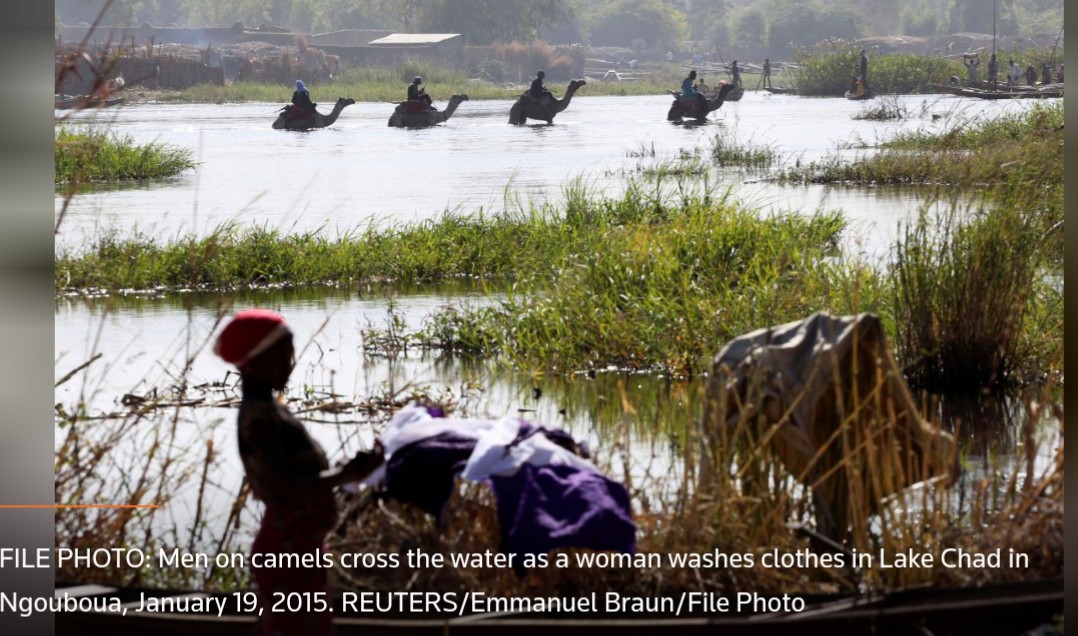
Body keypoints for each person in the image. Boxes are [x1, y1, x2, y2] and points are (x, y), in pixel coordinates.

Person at [215, 309, 382, 636]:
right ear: (255, 359)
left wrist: (345, 472)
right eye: (282, 356)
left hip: (297, 547)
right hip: (286, 550)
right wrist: (344, 475)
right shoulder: (261, 419)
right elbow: (284, 489)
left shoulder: (270, 411)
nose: (290, 364)